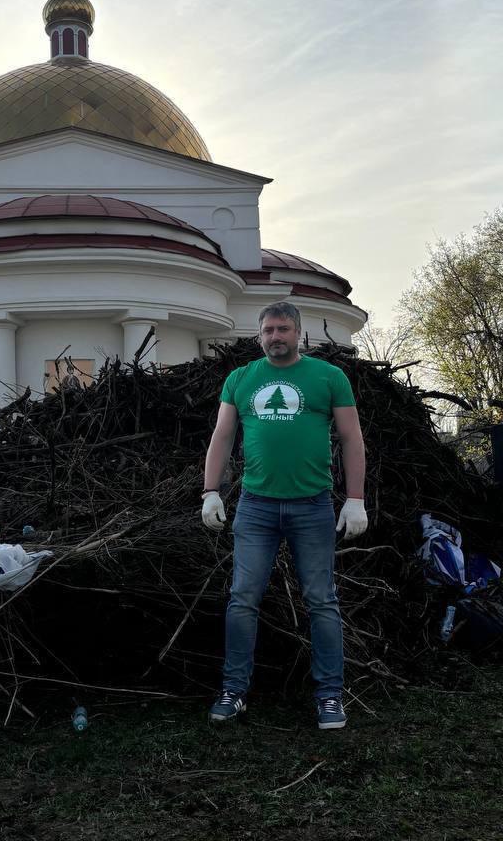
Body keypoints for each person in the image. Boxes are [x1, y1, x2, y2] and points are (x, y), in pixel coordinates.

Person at [201, 301, 368, 730]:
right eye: (269, 330)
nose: (276, 336)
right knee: (243, 600)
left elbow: (351, 439)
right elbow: (222, 435)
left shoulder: (328, 378)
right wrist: (210, 492)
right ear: (260, 335)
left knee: (322, 602)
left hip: (312, 507)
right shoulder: (240, 379)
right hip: (255, 507)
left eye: (284, 329)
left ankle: (329, 696)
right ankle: (234, 691)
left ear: (299, 334)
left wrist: (355, 498)